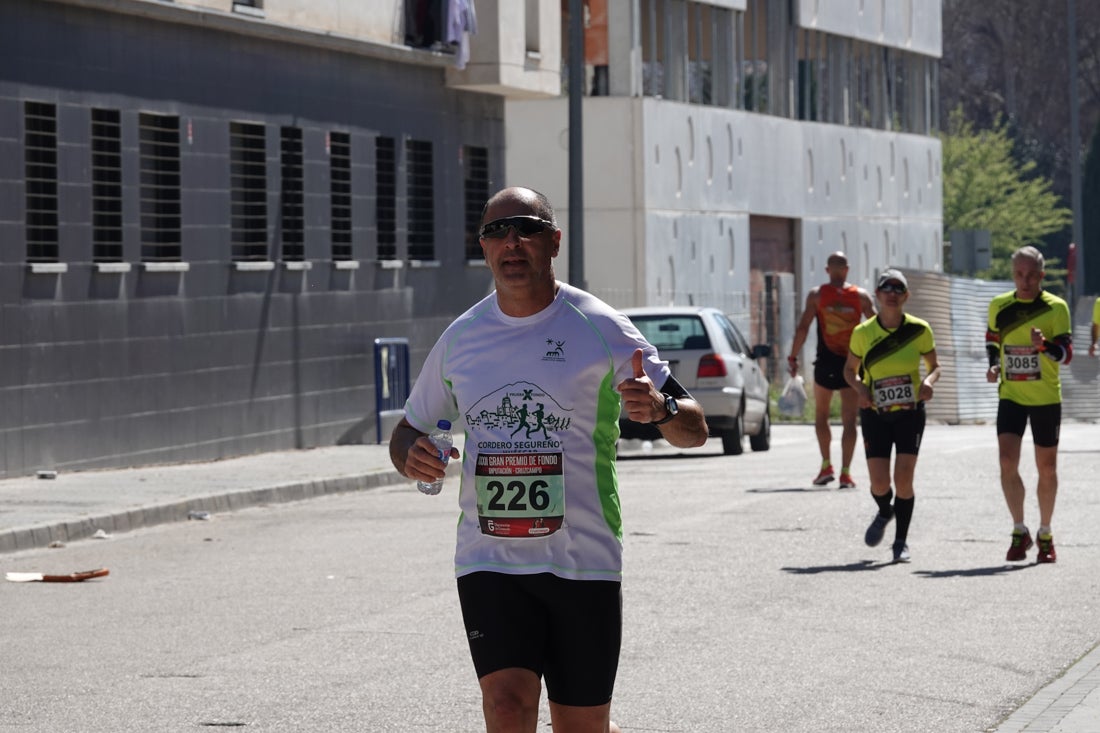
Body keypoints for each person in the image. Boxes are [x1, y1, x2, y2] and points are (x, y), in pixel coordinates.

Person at [389, 186, 709, 733]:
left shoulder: (601, 326)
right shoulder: (462, 337)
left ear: (553, 241)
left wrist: (658, 410)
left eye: (526, 228)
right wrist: (411, 457)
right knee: (507, 705)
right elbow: (408, 431)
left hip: (583, 559)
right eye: (496, 231)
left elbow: (695, 427)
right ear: (483, 249)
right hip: (490, 560)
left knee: (581, 725)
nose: (512, 242)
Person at [843, 269, 941, 563]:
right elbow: (849, 369)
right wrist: (860, 388)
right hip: (875, 413)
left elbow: (935, 366)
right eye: (887, 289)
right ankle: (885, 510)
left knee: (904, 478)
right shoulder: (863, 333)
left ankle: (900, 542)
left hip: (910, 413)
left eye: (899, 289)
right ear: (878, 295)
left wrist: (928, 382)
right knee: (880, 483)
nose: (892, 294)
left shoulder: (919, 329)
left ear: (906, 296)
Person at [985, 246, 1072, 564]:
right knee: (1007, 461)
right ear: (1013, 275)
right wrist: (994, 365)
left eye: (1031, 275)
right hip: (1012, 396)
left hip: (1046, 398)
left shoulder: (1056, 307)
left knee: (1046, 468)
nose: (1025, 281)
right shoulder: (999, 305)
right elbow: (992, 339)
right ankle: (1019, 529)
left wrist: (1044, 345)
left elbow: (1066, 354)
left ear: (1041, 276)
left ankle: (1045, 532)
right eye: (1019, 274)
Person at [788, 252, 876, 488]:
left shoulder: (817, 296)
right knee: (849, 420)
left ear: (828, 270)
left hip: (825, 363)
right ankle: (846, 473)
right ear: (847, 269)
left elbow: (803, 328)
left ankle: (826, 465)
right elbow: (876, 330)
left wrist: (793, 356)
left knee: (821, 416)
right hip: (851, 364)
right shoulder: (862, 297)